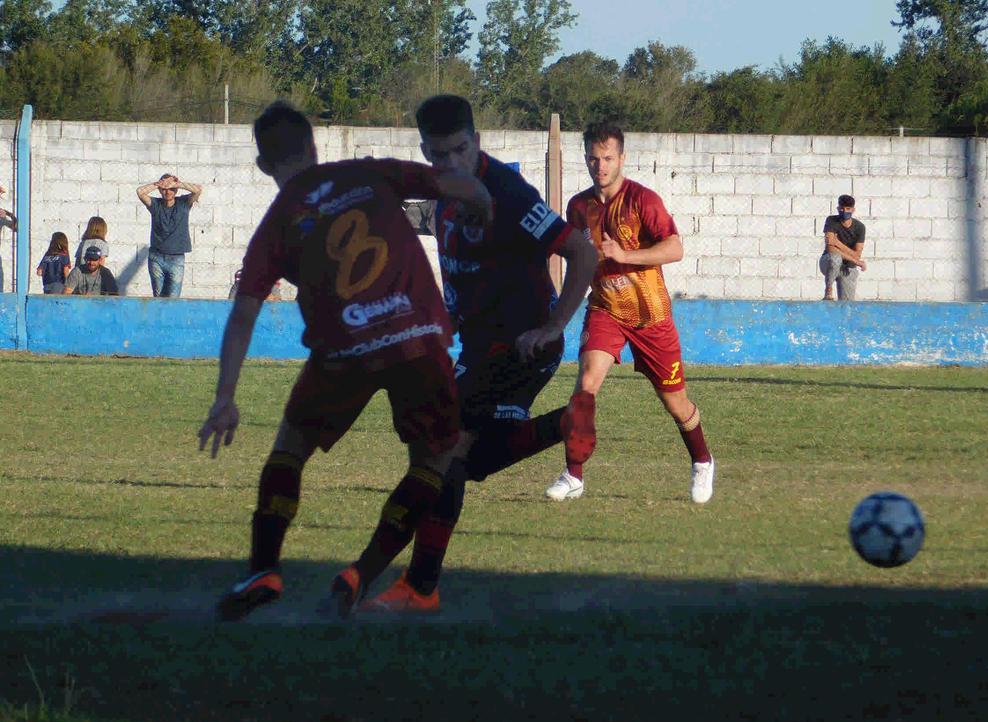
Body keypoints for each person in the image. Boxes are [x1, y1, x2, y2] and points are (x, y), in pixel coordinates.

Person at [196, 101, 495, 622]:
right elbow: (459, 185)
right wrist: (484, 207)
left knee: (290, 449)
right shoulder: (367, 172)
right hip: (416, 338)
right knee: (433, 462)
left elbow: (243, 314)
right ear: (314, 147)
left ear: (264, 165)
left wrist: (225, 397)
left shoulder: (276, 223)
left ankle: (263, 568)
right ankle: (359, 576)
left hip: (343, 350)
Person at [358, 94, 598, 614]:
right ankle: (562, 424)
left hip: (521, 344)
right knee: (463, 460)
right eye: (439, 154)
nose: (451, 163)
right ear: (426, 151)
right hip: (479, 345)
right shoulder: (439, 190)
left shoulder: (509, 193)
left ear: (477, 142)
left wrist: (554, 325)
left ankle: (413, 586)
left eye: (460, 150)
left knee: (443, 453)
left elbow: (582, 253)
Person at [544, 121, 715, 505]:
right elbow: (576, 256)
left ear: (621, 158)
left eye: (607, 158)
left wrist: (625, 255)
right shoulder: (578, 207)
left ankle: (702, 460)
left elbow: (675, 249)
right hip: (606, 309)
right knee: (586, 385)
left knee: (676, 404)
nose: (600, 166)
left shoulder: (643, 200)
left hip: (651, 316)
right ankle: (574, 474)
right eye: (593, 158)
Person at [136, 173, 202, 297]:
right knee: (158, 296)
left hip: (176, 258)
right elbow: (140, 192)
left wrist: (177, 184)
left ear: (176, 190)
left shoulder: (183, 203)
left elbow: (198, 190)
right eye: (164, 189)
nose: (168, 192)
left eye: (171, 189)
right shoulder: (155, 204)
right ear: (160, 190)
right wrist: (158, 184)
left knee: (173, 298)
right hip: (157, 257)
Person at [821, 194, 867, 301]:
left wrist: (837, 242)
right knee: (835, 258)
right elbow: (830, 249)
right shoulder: (831, 221)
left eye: (848, 209)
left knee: (847, 305)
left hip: (848, 267)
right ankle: (828, 289)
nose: (844, 211)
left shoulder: (860, 227)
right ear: (838, 208)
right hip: (828, 263)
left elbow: (857, 255)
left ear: (853, 210)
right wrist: (856, 261)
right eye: (842, 208)